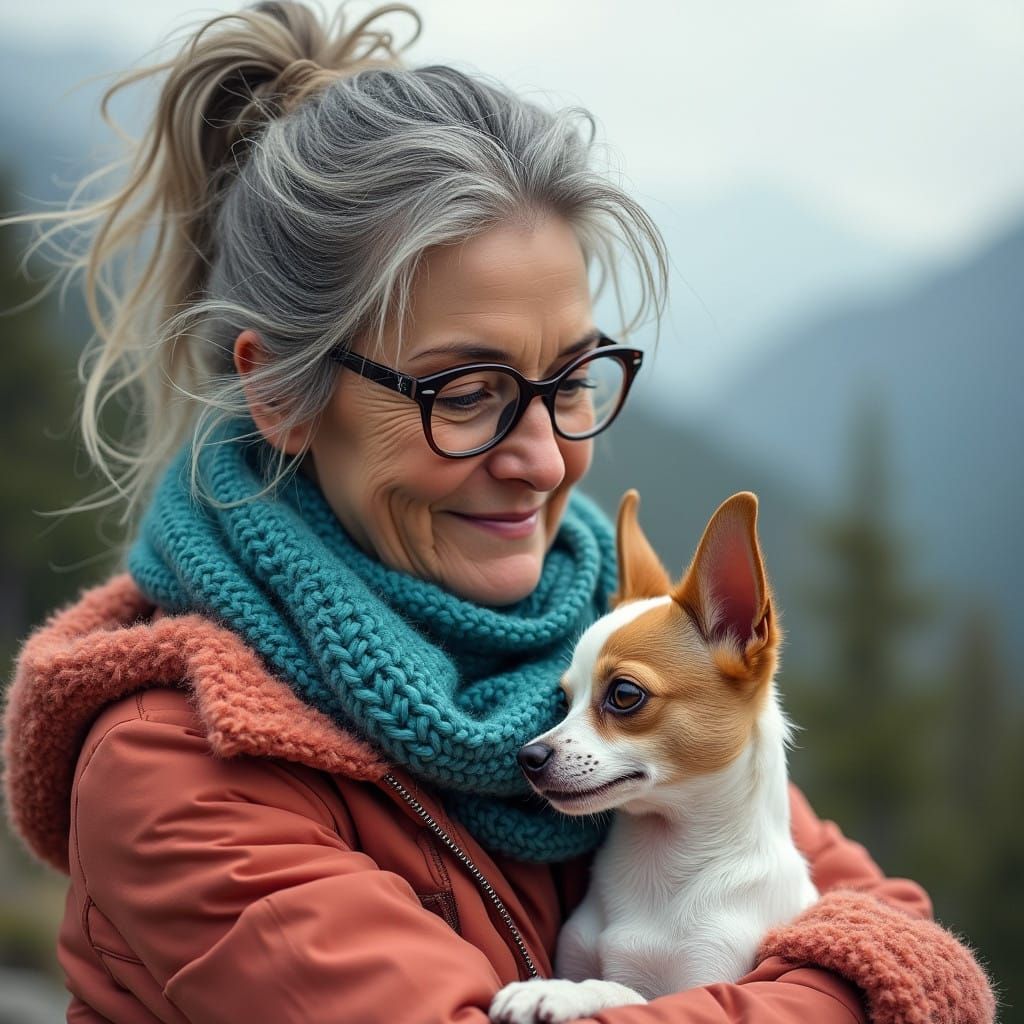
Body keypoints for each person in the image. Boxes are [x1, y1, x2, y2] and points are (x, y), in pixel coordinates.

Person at [1, 3, 994, 1022]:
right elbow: (873, 970)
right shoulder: (178, 765)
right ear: (280, 394)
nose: (546, 460)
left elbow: (905, 949)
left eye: (573, 380)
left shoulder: (625, 656)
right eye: (466, 393)